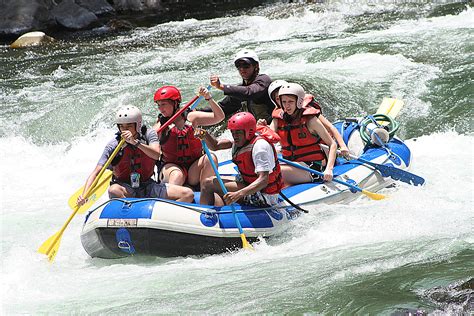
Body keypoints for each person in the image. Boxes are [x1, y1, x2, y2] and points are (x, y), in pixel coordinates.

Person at [77, 105, 194, 206]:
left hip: (148, 186)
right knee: (114, 190)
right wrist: (84, 194)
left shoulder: (149, 135)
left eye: (128, 126)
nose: (124, 130)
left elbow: (156, 154)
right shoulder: (113, 145)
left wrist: (135, 143)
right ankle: (131, 213)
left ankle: (162, 215)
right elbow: (96, 173)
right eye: (121, 126)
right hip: (126, 188)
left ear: (137, 125)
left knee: (188, 194)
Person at [260, 82, 338, 186]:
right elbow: (266, 140)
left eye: (290, 102)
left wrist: (329, 169)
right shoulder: (277, 119)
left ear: (299, 102)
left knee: (271, 173)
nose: (286, 106)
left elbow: (332, 144)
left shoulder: (311, 120)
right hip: (290, 163)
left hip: (311, 167)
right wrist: (262, 128)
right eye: (284, 102)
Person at [198, 112, 283, 207]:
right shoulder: (241, 141)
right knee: (214, 180)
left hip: (264, 195)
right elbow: (215, 145)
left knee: (208, 184)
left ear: (249, 131)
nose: (235, 136)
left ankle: (204, 215)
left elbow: (263, 180)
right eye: (233, 132)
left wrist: (238, 194)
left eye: (238, 132)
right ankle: (219, 209)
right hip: (248, 184)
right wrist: (204, 134)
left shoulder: (260, 147)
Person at [153, 85, 225, 190]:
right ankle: (172, 198)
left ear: (175, 103)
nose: (160, 108)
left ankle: (206, 191)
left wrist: (208, 98)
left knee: (211, 158)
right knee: (177, 175)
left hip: (193, 169)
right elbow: (149, 140)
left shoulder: (192, 117)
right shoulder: (160, 126)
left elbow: (219, 117)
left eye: (163, 104)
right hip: (171, 168)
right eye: (158, 105)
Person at [265, 79, 349, 157]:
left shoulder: (308, 114)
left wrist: (342, 146)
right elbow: (270, 135)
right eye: (280, 99)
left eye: (289, 99)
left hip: (319, 151)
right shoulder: (278, 118)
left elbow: (330, 127)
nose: (285, 102)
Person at [209, 49, 274, 123]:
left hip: (270, 129)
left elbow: (249, 92)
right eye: (238, 66)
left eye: (246, 65)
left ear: (256, 66)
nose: (242, 69)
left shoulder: (264, 80)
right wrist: (195, 111)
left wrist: (221, 86)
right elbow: (223, 107)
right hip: (253, 130)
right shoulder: (240, 91)